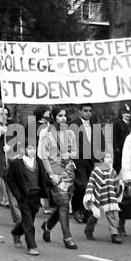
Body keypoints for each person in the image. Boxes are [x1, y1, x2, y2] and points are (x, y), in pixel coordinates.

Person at [38, 106, 78, 249]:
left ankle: (47, 226)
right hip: (55, 173)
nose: (63, 118)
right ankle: (67, 237)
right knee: (63, 204)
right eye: (60, 115)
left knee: (63, 204)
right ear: (54, 117)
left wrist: (69, 155)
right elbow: (43, 157)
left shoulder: (70, 134)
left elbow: (75, 152)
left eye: (65, 116)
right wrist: (50, 174)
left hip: (68, 172)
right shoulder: (47, 134)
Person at [7, 141, 51, 255]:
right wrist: (17, 194)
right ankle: (32, 246)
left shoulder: (38, 161)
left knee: (28, 220)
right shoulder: (16, 163)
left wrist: (53, 183)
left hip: (36, 197)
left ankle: (16, 233)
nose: (32, 151)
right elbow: (10, 179)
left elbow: (44, 177)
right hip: (23, 196)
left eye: (34, 148)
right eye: (30, 148)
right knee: (29, 223)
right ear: (24, 150)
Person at [70, 103, 104, 224]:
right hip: (79, 159)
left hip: (93, 160)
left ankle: (87, 210)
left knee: (91, 186)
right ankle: (77, 209)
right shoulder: (73, 124)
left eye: (90, 111)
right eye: (85, 110)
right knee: (82, 184)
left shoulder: (95, 124)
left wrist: (101, 156)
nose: (88, 113)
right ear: (80, 111)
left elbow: (101, 140)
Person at [83, 151, 123, 244]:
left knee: (111, 215)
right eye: (107, 157)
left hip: (110, 198)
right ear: (102, 160)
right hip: (99, 197)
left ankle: (114, 235)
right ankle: (88, 230)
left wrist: (119, 188)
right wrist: (90, 195)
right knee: (95, 215)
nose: (110, 159)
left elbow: (116, 183)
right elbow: (91, 183)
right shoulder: (96, 171)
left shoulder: (112, 171)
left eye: (110, 157)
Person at [27, 105, 54, 215]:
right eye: (47, 112)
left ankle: (47, 204)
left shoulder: (51, 125)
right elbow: (27, 139)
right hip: (36, 154)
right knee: (38, 179)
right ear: (42, 113)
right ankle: (37, 204)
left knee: (47, 180)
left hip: (49, 155)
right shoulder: (32, 125)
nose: (49, 113)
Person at [113, 103, 131, 174]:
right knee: (117, 168)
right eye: (125, 113)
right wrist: (116, 149)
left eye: (128, 113)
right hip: (120, 151)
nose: (127, 115)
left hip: (129, 150)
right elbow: (114, 138)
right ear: (122, 114)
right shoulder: (117, 124)